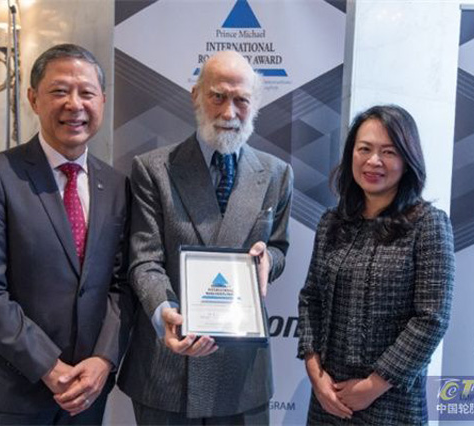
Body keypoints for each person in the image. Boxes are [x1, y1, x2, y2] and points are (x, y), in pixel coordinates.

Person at [0, 44, 133, 425]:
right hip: (14, 392)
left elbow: (122, 285)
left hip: (89, 391)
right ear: (33, 99)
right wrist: (49, 367)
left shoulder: (117, 185)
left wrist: (104, 359)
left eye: (87, 93)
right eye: (59, 91)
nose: (75, 104)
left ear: (102, 101)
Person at [117, 50, 293, 424]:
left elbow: (279, 248)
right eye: (218, 96)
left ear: (255, 104)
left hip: (242, 374)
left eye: (241, 99)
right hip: (168, 367)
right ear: (196, 95)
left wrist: (267, 261)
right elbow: (145, 260)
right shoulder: (153, 169)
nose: (229, 112)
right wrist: (165, 312)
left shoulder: (277, 174)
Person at [297, 105, 455, 425]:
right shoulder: (332, 222)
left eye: (388, 152)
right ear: (351, 155)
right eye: (364, 149)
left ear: (407, 160)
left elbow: (431, 318)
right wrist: (315, 374)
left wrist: (374, 385)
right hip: (329, 400)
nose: (373, 161)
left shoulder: (428, 224)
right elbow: (311, 298)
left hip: (393, 403)